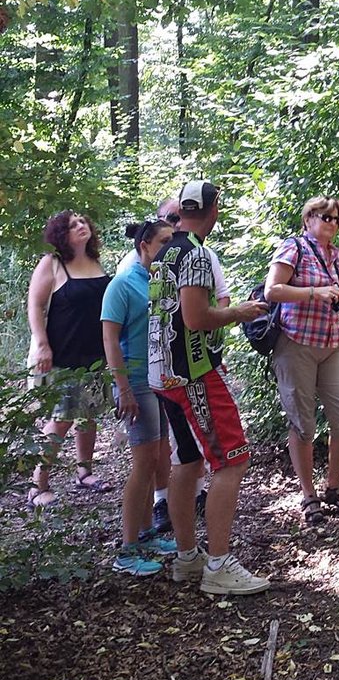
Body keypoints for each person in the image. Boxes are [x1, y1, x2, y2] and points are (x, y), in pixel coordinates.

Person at [148, 180, 270, 595]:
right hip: (195, 373)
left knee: (187, 462)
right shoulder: (196, 253)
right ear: (213, 209)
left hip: (162, 373)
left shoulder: (163, 252)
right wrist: (240, 311)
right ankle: (218, 566)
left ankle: (188, 558)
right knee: (231, 461)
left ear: (182, 210)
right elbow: (196, 317)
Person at [117, 195, 229, 532]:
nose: (174, 229)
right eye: (167, 223)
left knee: (180, 451)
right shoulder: (130, 275)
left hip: (176, 370)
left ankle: (180, 541)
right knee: (158, 457)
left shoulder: (197, 255)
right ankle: (150, 529)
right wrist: (123, 386)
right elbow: (113, 335)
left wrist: (214, 349)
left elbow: (215, 299)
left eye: (177, 220)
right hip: (162, 374)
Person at [264, 196, 339, 526]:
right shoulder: (294, 247)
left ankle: (333, 486)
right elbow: (272, 290)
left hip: (332, 343)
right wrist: (313, 293)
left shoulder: (337, 257)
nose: (332, 223)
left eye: (337, 219)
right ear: (309, 219)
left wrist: (333, 295)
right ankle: (308, 495)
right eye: (326, 217)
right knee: (303, 424)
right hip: (296, 344)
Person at [102, 218, 178, 575]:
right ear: (145, 244)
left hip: (159, 379)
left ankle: (146, 533)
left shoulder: (159, 281)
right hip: (135, 381)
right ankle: (127, 548)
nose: (169, 247)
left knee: (158, 457)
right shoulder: (122, 283)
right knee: (143, 462)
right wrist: (123, 388)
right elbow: (109, 339)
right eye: (163, 241)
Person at [26, 210, 112, 508]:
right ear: (61, 234)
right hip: (62, 354)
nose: (81, 226)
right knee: (61, 418)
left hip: (95, 354)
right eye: (73, 224)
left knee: (88, 414)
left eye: (83, 221)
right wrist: (41, 344)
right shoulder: (52, 264)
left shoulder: (95, 262)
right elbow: (35, 305)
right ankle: (38, 484)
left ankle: (84, 472)